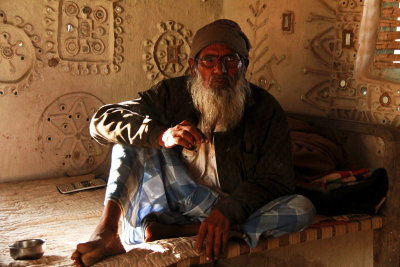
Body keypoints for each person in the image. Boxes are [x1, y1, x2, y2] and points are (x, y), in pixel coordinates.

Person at [71, 19, 315, 266]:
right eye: (209, 60)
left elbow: (277, 180)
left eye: (230, 60)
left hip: (227, 203)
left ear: (244, 66)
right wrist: (161, 134)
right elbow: (102, 121)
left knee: (302, 208)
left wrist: (228, 211)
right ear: (193, 66)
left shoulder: (265, 109)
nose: (219, 70)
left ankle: (190, 230)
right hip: (178, 192)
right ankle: (107, 231)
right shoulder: (171, 94)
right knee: (129, 141)